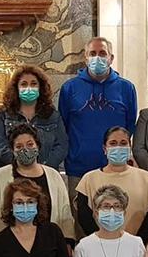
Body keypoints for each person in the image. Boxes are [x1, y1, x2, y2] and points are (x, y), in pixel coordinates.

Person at [58, 37, 138, 198]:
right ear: (86, 58)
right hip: (79, 168)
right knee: (80, 213)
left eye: (102, 53)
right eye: (92, 53)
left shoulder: (126, 88)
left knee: (116, 210)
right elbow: (63, 126)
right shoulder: (69, 88)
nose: (97, 58)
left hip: (115, 166)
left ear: (111, 58)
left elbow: (129, 126)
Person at [0, 124, 74, 252]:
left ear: (38, 146)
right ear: (12, 150)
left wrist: (67, 244)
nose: (25, 150)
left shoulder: (54, 176)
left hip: (49, 248)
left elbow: (65, 214)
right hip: (9, 250)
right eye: (19, 146)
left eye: (30, 144)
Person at [75, 126, 148, 243]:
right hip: (99, 244)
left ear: (130, 147)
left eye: (123, 143)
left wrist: (136, 242)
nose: (118, 147)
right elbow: (84, 217)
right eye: (113, 143)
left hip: (139, 245)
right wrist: (101, 240)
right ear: (104, 148)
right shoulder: (89, 179)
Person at [0, 65, 68, 169]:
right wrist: (20, 163)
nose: (29, 88)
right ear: (16, 88)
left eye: (33, 84)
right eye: (24, 84)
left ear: (40, 87)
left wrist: (41, 167)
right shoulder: (3, 114)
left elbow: (61, 146)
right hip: (12, 171)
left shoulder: (53, 115)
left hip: (45, 171)